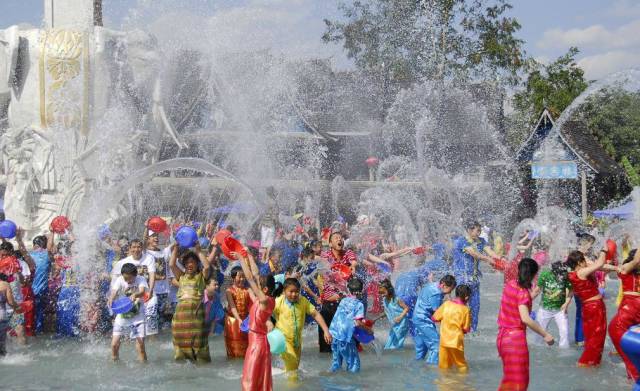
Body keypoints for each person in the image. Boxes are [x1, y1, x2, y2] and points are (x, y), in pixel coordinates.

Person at [497, 258, 554, 390]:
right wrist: (545, 334)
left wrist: (531, 296)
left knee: (509, 380)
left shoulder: (510, 284)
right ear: (533, 275)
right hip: (514, 341)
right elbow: (526, 319)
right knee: (520, 382)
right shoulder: (523, 293)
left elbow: (516, 302)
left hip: (502, 338)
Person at [234, 249, 282, 391]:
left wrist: (240, 259)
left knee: (249, 381)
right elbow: (255, 274)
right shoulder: (266, 300)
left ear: (265, 289)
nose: (256, 283)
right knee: (260, 382)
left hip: (256, 345)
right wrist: (248, 255)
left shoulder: (263, 300)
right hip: (260, 344)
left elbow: (249, 277)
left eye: (259, 284)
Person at [273, 278, 332, 380]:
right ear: (284, 291)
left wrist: (326, 330)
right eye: (291, 291)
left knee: (294, 368)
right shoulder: (279, 302)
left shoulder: (303, 301)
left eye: (296, 291)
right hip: (283, 341)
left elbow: (316, 314)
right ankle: (294, 387)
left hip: (297, 342)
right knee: (292, 364)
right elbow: (265, 311)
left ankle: (285, 382)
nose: (294, 294)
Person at [566, 249, 612, 367]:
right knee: (597, 337)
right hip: (595, 307)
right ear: (580, 262)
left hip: (588, 307)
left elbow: (600, 266)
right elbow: (600, 263)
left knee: (591, 336)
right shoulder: (581, 272)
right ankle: (585, 362)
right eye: (583, 260)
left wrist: (617, 268)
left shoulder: (574, 274)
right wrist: (603, 250)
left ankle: (592, 362)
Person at [452, 221, 500, 332]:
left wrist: (500, 259)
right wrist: (488, 259)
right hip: (462, 277)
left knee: (475, 305)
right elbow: (474, 254)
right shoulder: (461, 240)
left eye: (480, 231)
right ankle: (457, 328)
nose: (479, 233)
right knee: (461, 305)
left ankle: (473, 330)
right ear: (469, 230)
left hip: (474, 278)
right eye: (477, 230)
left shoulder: (481, 241)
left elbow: (490, 251)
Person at [169, 243, 211, 362]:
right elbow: (172, 264)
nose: (189, 264)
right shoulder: (181, 277)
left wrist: (198, 251)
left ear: (197, 264)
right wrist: (176, 248)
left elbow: (207, 267)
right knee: (181, 342)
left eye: (192, 262)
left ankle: (201, 366)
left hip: (196, 316)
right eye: (187, 263)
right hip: (181, 317)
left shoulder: (201, 277)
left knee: (199, 342)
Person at [609, 249, 640, 381]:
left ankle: (634, 375)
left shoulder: (628, 270)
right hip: (630, 307)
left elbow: (637, 261)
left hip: (631, 307)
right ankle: (633, 374)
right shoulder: (625, 269)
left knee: (617, 330)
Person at [107, 263, 149, 362]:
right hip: (122, 315)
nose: (128, 281)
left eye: (130, 278)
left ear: (135, 275)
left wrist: (136, 294)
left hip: (137, 316)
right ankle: (115, 365)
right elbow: (114, 291)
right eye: (126, 278)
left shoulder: (141, 279)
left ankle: (143, 367)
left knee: (141, 346)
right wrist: (111, 298)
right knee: (114, 345)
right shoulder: (120, 279)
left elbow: (143, 292)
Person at [413, 274, 457, 364]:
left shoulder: (431, 285)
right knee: (437, 345)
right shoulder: (436, 293)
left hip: (416, 317)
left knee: (422, 347)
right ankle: (432, 367)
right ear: (443, 285)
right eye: (450, 289)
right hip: (423, 320)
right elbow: (437, 313)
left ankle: (418, 366)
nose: (450, 292)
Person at [329, 277, 369, 373]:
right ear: (362, 290)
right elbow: (358, 323)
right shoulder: (359, 305)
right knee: (353, 364)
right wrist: (368, 329)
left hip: (334, 335)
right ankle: (352, 385)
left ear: (349, 290)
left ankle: (333, 382)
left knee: (336, 363)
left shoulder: (343, 300)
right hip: (345, 338)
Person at [431, 284, 472, 372]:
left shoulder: (446, 304)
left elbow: (434, 318)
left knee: (443, 367)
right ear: (467, 297)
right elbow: (466, 329)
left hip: (444, 341)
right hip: (456, 342)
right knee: (461, 365)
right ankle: (463, 383)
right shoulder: (465, 310)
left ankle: (444, 384)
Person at [534, 261, 572, 348]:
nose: (562, 275)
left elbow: (571, 290)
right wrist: (526, 302)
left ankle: (564, 351)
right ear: (553, 271)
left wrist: (566, 303)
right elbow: (537, 290)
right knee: (539, 334)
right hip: (544, 309)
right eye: (559, 274)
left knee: (564, 332)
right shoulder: (545, 274)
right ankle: (538, 350)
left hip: (560, 310)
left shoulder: (566, 276)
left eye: (563, 273)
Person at [224, 266, 254, 358]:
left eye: (243, 277)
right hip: (233, 322)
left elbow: (255, 301)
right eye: (239, 277)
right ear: (233, 277)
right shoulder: (229, 291)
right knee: (234, 349)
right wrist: (238, 319)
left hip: (246, 322)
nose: (242, 279)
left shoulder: (248, 290)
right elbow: (232, 307)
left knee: (247, 349)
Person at [30, 232, 54, 334]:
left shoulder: (30, 255)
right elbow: (51, 250)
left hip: (29, 291)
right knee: (40, 312)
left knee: (30, 313)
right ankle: (39, 331)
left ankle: (33, 331)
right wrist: (51, 235)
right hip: (42, 290)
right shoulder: (46, 256)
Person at [378, 278, 409, 350]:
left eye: (383, 293)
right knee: (388, 344)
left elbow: (407, 308)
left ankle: (399, 358)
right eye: (381, 293)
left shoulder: (397, 299)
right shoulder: (385, 300)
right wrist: (376, 319)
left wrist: (400, 317)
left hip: (402, 323)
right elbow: (388, 312)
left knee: (396, 345)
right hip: (395, 324)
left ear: (389, 290)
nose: (382, 295)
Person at [0, 273, 22, 355]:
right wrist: (18, 308)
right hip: (1, 317)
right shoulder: (4, 284)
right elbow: (11, 302)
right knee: (2, 344)